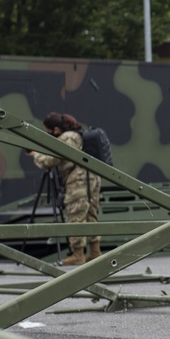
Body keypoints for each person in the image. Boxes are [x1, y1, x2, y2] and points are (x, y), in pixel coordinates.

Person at [28, 112, 101, 266]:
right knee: (90, 215)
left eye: (48, 131)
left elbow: (53, 159)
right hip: (91, 178)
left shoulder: (67, 137)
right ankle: (95, 252)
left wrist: (36, 155)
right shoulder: (77, 135)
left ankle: (78, 255)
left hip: (78, 181)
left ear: (55, 129)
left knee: (75, 215)